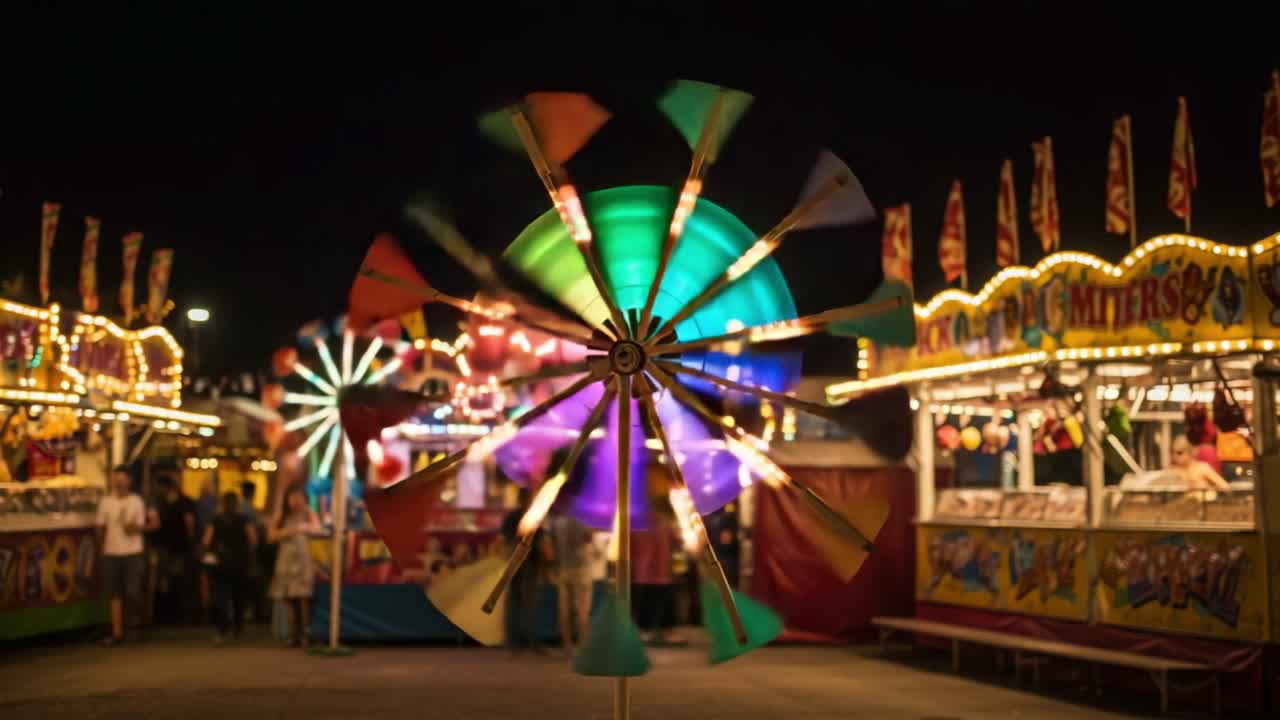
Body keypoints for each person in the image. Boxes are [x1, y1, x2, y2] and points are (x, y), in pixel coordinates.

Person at [96, 466, 146, 646]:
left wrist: (130, 527)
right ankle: (117, 632)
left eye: (121, 479)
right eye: (115, 479)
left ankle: (134, 624)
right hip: (111, 552)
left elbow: (140, 526)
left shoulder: (136, 501)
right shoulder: (106, 502)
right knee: (114, 593)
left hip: (133, 552)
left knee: (132, 591)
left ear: (129, 481)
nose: (117, 482)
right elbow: (100, 526)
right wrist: (102, 548)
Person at [500, 489, 552, 653]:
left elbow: (503, 540)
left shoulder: (511, 517)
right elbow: (542, 543)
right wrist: (550, 562)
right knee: (529, 602)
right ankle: (530, 641)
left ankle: (513, 641)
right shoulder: (533, 517)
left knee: (514, 601)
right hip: (531, 563)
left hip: (513, 564)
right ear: (529, 499)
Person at [202, 491, 257, 644]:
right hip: (240, 564)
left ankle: (221, 630)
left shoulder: (215, 520)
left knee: (221, 598)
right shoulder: (244, 520)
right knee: (239, 597)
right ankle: (238, 629)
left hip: (220, 564)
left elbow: (206, 541)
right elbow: (252, 540)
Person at [268, 486, 319, 648]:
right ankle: (292, 634)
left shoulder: (309, 513)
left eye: (299, 497)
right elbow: (271, 536)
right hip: (286, 562)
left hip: (304, 561)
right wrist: (291, 531)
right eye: (293, 497)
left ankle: (305, 632)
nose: (296, 501)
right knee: (288, 599)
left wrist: (305, 528)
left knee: (303, 597)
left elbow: (318, 529)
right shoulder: (280, 516)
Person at [149, 474, 197, 623]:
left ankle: (173, 612)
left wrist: (190, 541)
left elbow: (189, 523)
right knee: (169, 578)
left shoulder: (179, 502)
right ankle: (170, 611)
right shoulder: (167, 502)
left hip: (176, 547)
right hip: (169, 546)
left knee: (173, 578)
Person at [547, 511, 594, 656]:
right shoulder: (583, 518)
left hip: (562, 568)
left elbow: (551, 545)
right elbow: (588, 538)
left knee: (564, 609)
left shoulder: (556, 520)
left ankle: (567, 646)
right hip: (581, 568)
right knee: (582, 609)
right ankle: (583, 646)